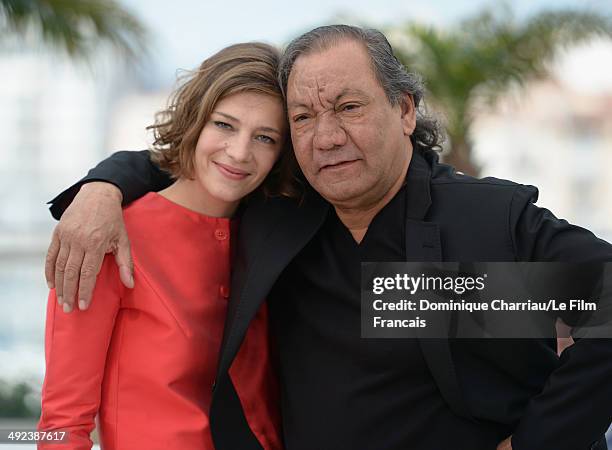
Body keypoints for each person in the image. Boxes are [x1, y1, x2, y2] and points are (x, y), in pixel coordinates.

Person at [45, 25, 612, 450]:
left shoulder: (480, 220)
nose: (327, 137)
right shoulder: (285, 217)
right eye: (304, 118)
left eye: (348, 107)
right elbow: (206, 161)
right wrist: (103, 187)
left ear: (405, 111)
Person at [37, 42, 288, 450]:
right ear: (194, 120)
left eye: (265, 137)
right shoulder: (107, 235)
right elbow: (62, 425)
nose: (240, 152)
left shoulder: (271, 238)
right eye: (224, 125)